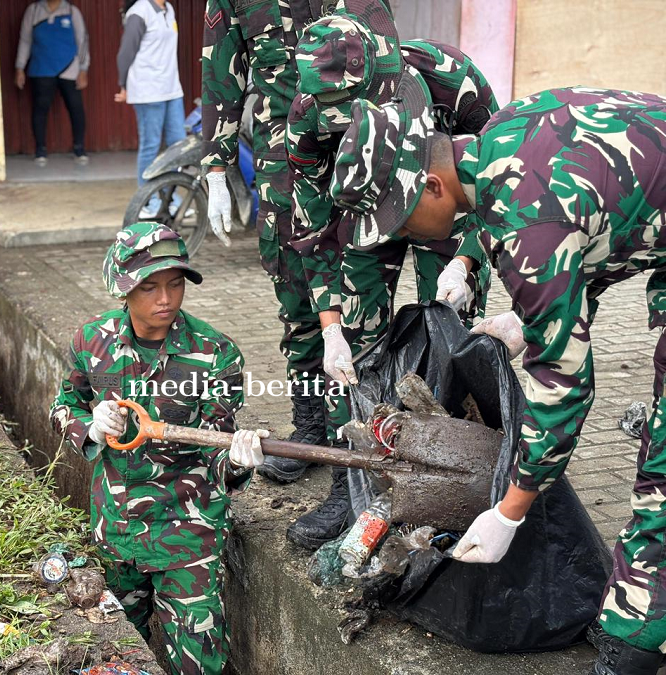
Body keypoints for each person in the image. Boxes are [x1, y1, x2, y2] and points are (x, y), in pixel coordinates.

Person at [330, 76, 666, 675]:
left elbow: (562, 390)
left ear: (432, 186)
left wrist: (509, 511)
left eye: (401, 221)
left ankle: (636, 640)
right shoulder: (503, 134)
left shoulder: (527, 225)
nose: (405, 237)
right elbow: (592, 220)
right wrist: (524, 308)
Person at [283, 16, 497, 550]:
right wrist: (330, 328)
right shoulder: (307, 117)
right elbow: (314, 233)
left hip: (441, 200)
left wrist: (468, 263)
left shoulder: (451, 79)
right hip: (363, 214)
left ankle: (451, 479)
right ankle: (348, 484)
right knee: (354, 341)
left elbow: (496, 183)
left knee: (451, 335)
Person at [49, 222, 268, 675]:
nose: (165, 299)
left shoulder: (215, 354)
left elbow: (219, 446)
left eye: (175, 285)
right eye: (149, 287)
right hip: (116, 529)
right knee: (110, 654)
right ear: (123, 289)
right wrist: (90, 427)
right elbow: (64, 404)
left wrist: (238, 462)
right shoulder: (93, 343)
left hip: (186, 533)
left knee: (197, 660)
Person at [201, 0, 359, 498]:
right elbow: (221, 72)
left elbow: (385, 50)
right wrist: (215, 166)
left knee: (358, 288)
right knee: (295, 294)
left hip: (354, 148)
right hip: (282, 165)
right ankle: (311, 427)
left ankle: (355, 435)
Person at [116, 0, 185, 219]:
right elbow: (125, 53)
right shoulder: (139, 13)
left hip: (172, 89)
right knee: (151, 146)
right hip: (148, 91)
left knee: (178, 145)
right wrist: (123, 85)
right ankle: (148, 201)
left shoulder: (169, 9)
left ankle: (169, 199)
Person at [15, 0, 90, 167]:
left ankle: (79, 148)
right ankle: (40, 150)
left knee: (76, 108)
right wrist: (19, 67)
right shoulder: (33, 11)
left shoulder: (72, 11)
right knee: (40, 109)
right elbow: (25, 40)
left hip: (69, 68)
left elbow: (82, 41)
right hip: (41, 68)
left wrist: (83, 69)